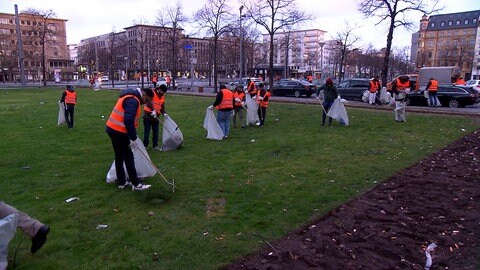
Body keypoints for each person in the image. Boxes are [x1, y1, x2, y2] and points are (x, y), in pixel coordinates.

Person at [105, 88, 153, 191]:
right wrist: (133, 138)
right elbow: (128, 121)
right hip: (119, 131)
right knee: (128, 157)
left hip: (111, 128)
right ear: (143, 95)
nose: (145, 102)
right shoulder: (133, 100)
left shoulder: (129, 97)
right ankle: (136, 184)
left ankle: (122, 182)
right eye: (147, 99)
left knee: (119, 156)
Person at [143, 85, 167, 151]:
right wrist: (152, 110)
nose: (163, 93)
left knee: (156, 131)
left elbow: (162, 107)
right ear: (159, 89)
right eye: (162, 91)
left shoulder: (162, 97)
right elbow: (147, 101)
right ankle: (145, 145)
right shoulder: (152, 93)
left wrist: (164, 113)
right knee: (147, 131)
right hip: (148, 115)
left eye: (164, 92)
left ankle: (155, 145)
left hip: (156, 116)